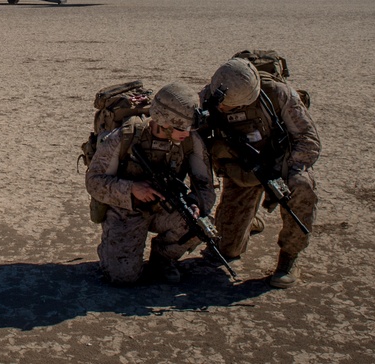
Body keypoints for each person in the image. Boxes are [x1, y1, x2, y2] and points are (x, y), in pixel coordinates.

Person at [200, 57, 320, 288]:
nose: (223, 108)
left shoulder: (277, 94)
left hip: (280, 164)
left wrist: (284, 171)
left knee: (301, 186)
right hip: (241, 171)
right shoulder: (209, 97)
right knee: (227, 249)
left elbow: (308, 140)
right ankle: (250, 221)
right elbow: (199, 144)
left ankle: (289, 256)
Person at [85, 81, 216, 285]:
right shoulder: (126, 136)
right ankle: (113, 249)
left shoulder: (191, 141)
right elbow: (94, 182)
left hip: (166, 208)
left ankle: (163, 259)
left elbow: (205, 185)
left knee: (200, 225)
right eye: (182, 127)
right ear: (164, 121)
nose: (188, 133)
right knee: (122, 277)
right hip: (127, 211)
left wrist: (196, 204)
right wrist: (132, 189)